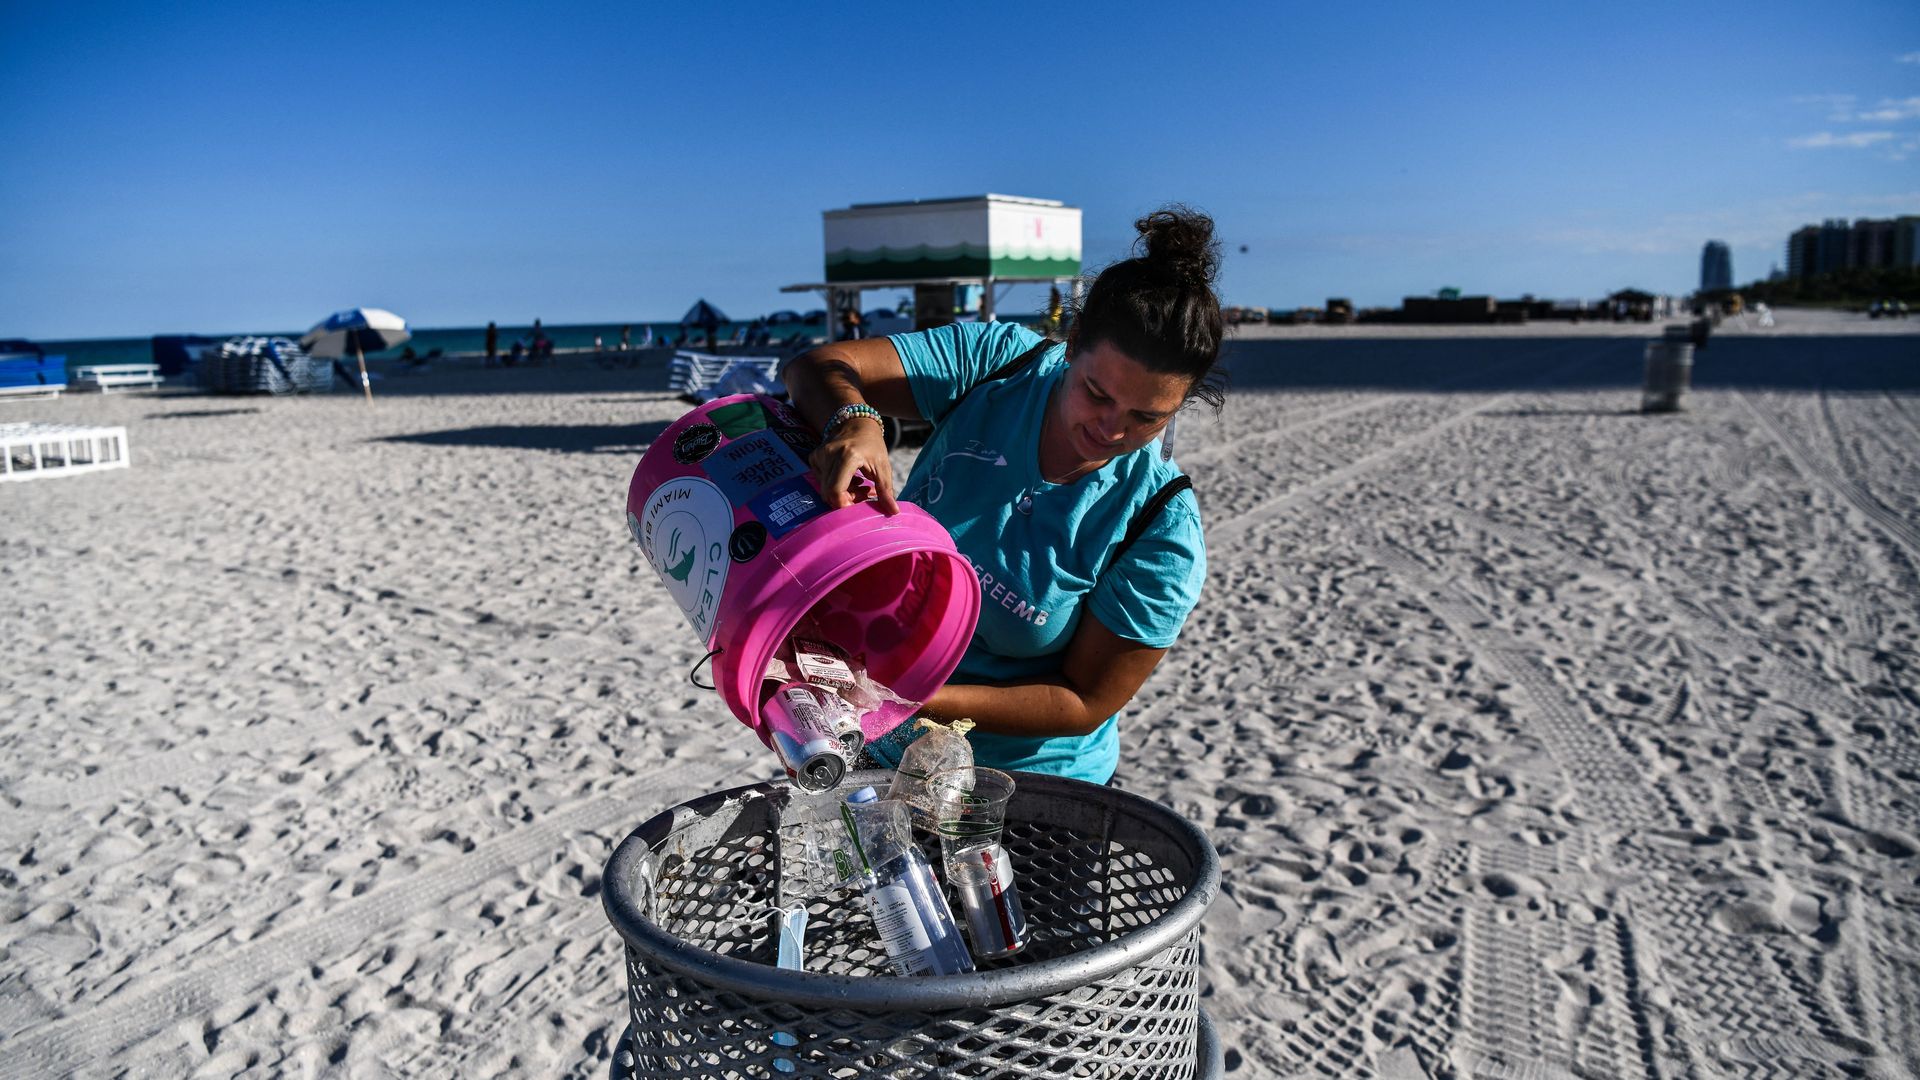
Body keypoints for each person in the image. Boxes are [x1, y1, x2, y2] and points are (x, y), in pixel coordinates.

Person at [783, 206, 1223, 785]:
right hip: (879, 748)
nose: (1110, 429)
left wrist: (906, 698)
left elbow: (1083, 702)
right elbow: (817, 366)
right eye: (1096, 393)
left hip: (1031, 789)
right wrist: (854, 419)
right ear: (1073, 341)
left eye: (1147, 417)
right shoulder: (997, 364)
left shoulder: (1158, 527)